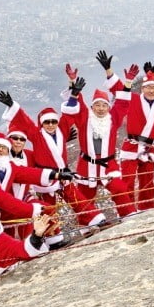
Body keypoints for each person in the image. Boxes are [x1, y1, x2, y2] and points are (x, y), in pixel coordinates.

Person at [0, 90, 108, 234]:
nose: (50, 125)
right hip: (46, 178)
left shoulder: (62, 131)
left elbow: (68, 115)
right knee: (48, 208)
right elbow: (25, 121)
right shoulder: (36, 135)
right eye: (47, 122)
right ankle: (52, 237)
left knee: (76, 199)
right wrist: (12, 105)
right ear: (42, 124)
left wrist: (74, 96)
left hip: (63, 174)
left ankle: (91, 220)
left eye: (53, 121)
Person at [99, 50, 154, 210]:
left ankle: (147, 210)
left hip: (150, 148)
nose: (151, 90)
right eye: (148, 87)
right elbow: (119, 90)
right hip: (132, 145)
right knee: (128, 181)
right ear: (142, 89)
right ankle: (127, 211)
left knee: (148, 182)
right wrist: (109, 70)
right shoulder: (133, 99)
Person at [60, 67, 137, 219]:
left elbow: (122, 103)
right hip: (86, 165)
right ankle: (87, 225)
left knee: (120, 189)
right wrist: (73, 81)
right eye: (98, 105)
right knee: (85, 198)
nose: (101, 109)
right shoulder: (84, 118)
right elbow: (77, 101)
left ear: (108, 107)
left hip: (109, 165)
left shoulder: (113, 118)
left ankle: (129, 216)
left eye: (104, 105)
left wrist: (128, 82)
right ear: (92, 106)